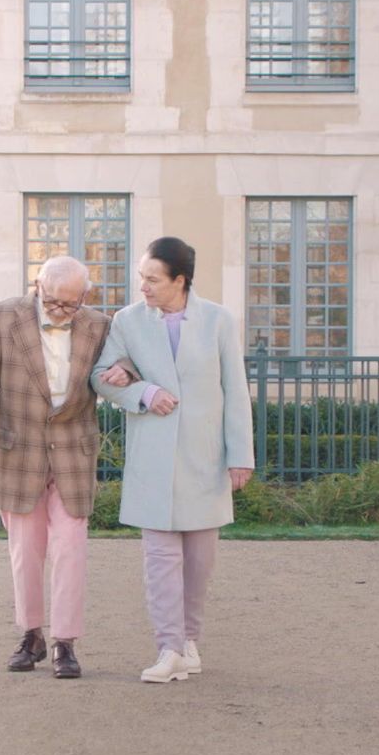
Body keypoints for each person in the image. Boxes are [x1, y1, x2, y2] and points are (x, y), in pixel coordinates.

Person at [92, 237, 254, 683]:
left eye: (152, 279)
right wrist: (142, 391)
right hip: (153, 458)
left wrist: (241, 456)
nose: (142, 286)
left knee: (200, 562)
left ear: (180, 281)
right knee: (160, 560)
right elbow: (100, 379)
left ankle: (188, 644)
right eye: (141, 276)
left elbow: (235, 393)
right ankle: (168, 648)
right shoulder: (126, 321)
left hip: (206, 457)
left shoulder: (219, 320)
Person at [0, 255, 113, 679]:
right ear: (37, 286)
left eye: (70, 304)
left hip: (73, 451)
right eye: (52, 302)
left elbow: (115, 372)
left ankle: (65, 643)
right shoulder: (2, 316)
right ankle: (30, 635)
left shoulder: (100, 326)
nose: (60, 311)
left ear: (84, 296)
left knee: (70, 548)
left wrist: (123, 375)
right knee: (25, 551)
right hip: (18, 450)